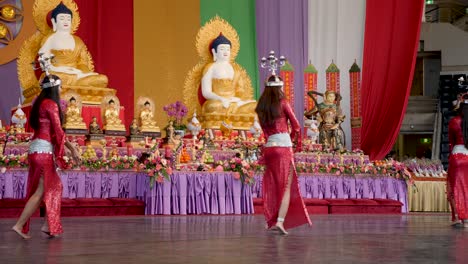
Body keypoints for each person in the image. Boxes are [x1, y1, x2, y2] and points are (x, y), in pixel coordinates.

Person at [11, 75, 81, 239]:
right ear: (54, 88)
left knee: (54, 186)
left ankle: (48, 225)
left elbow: (51, 132)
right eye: (60, 87)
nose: (62, 90)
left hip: (37, 149)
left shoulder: (39, 104)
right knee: (40, 191)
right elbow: (58, 131)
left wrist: (68, 149)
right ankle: (20, 225)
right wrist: (72, 150)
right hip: (44, 152)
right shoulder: (50, 104)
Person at [255, 74, 312, 235]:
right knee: (286, 187)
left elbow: (265, 131)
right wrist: (295, 143)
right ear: (279, 88)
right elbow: (297, 126)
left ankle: (271, 220)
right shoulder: (283, 103)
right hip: (283, 148)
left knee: (272, 185)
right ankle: (279, 221)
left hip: (269, 148)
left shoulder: (261, 107)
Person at [38, 2, 108, 87]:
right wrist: (58, 68)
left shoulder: (78, 41)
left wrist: (82, 72)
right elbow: (43, 60)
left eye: (68, 18)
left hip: (77, 74)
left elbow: (83, 63)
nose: (65, 21)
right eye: (62, 18)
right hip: (57, 73)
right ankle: (78, 82)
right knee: (52, 79)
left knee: (103, 79)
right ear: (54, 21)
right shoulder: (50, 39)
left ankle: (79, 81)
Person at [447, 92, 468, 228]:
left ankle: (460, 218)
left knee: (455, 188)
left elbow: (451, 142)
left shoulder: (454, 122)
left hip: (457, 156)